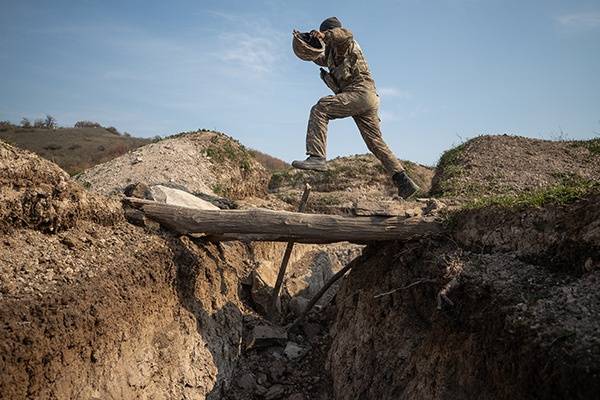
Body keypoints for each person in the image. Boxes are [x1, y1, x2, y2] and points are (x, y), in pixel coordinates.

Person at [292, 17, 420, 199]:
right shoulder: (331, 55)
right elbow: (317, 56)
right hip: (367, 98)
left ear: (329, 33)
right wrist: (306, 42)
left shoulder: (344, 43)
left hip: (359, 93)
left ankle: (317, 157)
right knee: (375, 142)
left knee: (320, 108)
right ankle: (404, 181)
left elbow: (345, 34)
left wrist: (324, 34)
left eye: (324, 37)